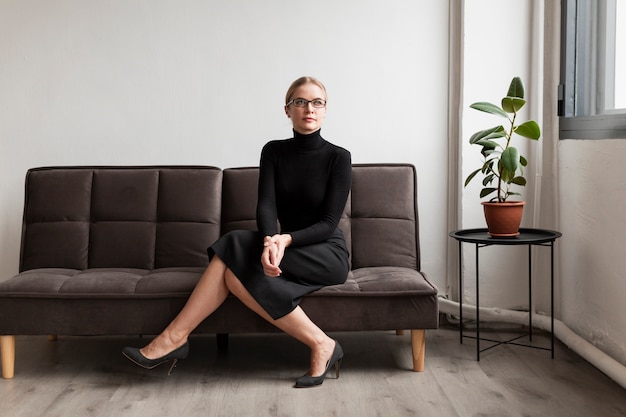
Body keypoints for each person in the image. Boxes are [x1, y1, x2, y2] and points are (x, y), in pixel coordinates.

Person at [122, 76, 352, 388]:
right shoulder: (273, 152)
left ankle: (174, 338)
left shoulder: (339, 157)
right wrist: (270, 239)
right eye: (300, 102)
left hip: (326, 252)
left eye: (317, 103)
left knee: (232, 243)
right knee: (231, 273)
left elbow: (328, 223)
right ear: (287, 110)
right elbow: (267, 206)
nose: (308, 109)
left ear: (326, 110)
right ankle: (322, 343)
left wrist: (283, 239)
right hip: (284, 246)